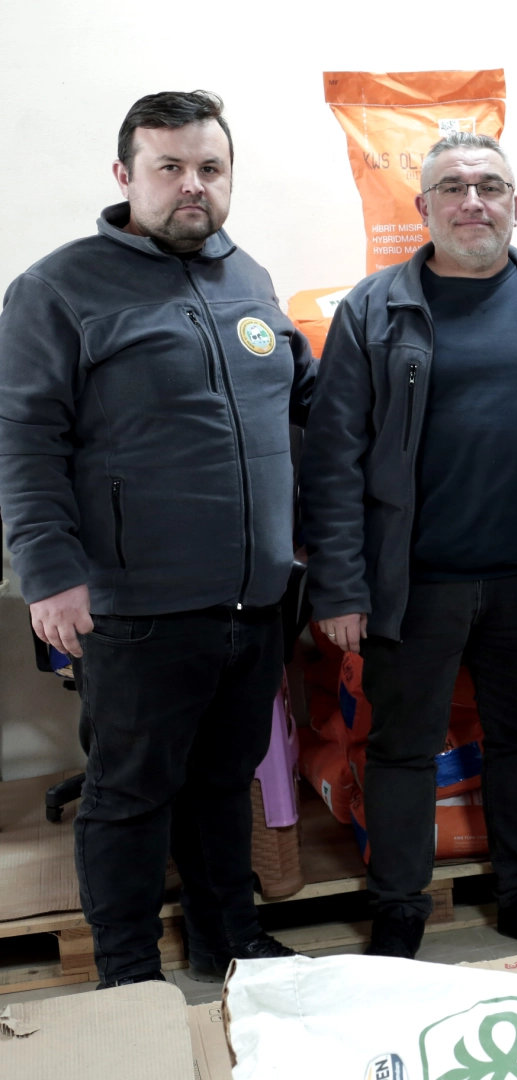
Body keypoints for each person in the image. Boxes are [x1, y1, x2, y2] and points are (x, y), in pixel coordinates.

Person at [301, 132, 517, 957]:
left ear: (516, 205)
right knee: (401, 748)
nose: (472, 202)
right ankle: (399, 907)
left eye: (489, 186)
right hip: (412, 584)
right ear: (423, 207)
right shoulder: (374, 310)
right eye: (452, 188)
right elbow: (333, 461)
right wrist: (340, 586)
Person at [0, 91, 313, 986]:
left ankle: (229, 943)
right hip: (136, 606)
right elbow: (23, 441)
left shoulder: (249, 278)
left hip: (253, 599)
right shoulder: (57, 290)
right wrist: (49, 574)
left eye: (209, 168)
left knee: (224, 782)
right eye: (169, 167)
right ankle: (129, 972)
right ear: (125, 175)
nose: (192, 185)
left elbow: (302, 403)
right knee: (131, 794)